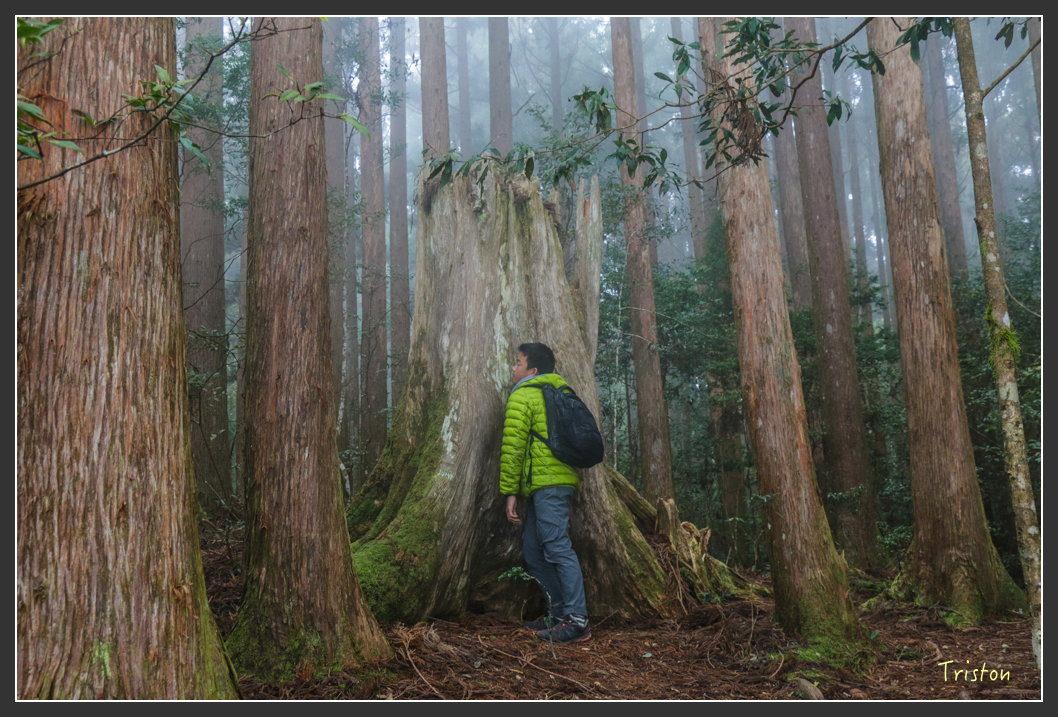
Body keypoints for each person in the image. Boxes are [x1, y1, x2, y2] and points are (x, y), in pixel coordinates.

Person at [501, 342, 591, 643]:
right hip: (552, 482)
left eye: (517, 362)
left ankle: (577, 621)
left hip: (547, 484)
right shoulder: (558, 390)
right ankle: (561, 612)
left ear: (533, 370)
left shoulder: (524, 394)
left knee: (557, 548)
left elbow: (513, 449)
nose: (513, 367)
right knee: (534, 551)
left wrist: (509, 492)